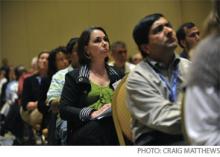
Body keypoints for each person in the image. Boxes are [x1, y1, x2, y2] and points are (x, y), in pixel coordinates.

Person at [126, 13, 191, 145]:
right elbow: (166, 120)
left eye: (168, 26)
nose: (168, 31)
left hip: (192, 132)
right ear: (146, 47)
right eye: (158, 30)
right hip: (156, 139)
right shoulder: (137, 78)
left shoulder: (189, 67)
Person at [59, 26, 123, 145]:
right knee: (101, 127)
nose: (104, 43)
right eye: (97, 41)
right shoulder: (75, 77)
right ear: (87, 50)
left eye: (105, 39)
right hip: (87, 130)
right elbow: (64, 109)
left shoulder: (117, 73)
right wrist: (91, 113)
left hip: (115, 126)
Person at [183, 0, 220, 145]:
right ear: (182, 42)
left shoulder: (185, 64)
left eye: (198, 34)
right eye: (193, 35)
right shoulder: (207, 57)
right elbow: (203, 137)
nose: (198, 38)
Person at [46, 37, 79, 145]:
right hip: (68, 118)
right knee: (67, 128)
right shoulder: (60, 75)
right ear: (70, 55)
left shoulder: (95, 71)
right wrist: (72, 98)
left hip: (95, 113)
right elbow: (53, 104)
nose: (82, 53)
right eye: (77, 50)